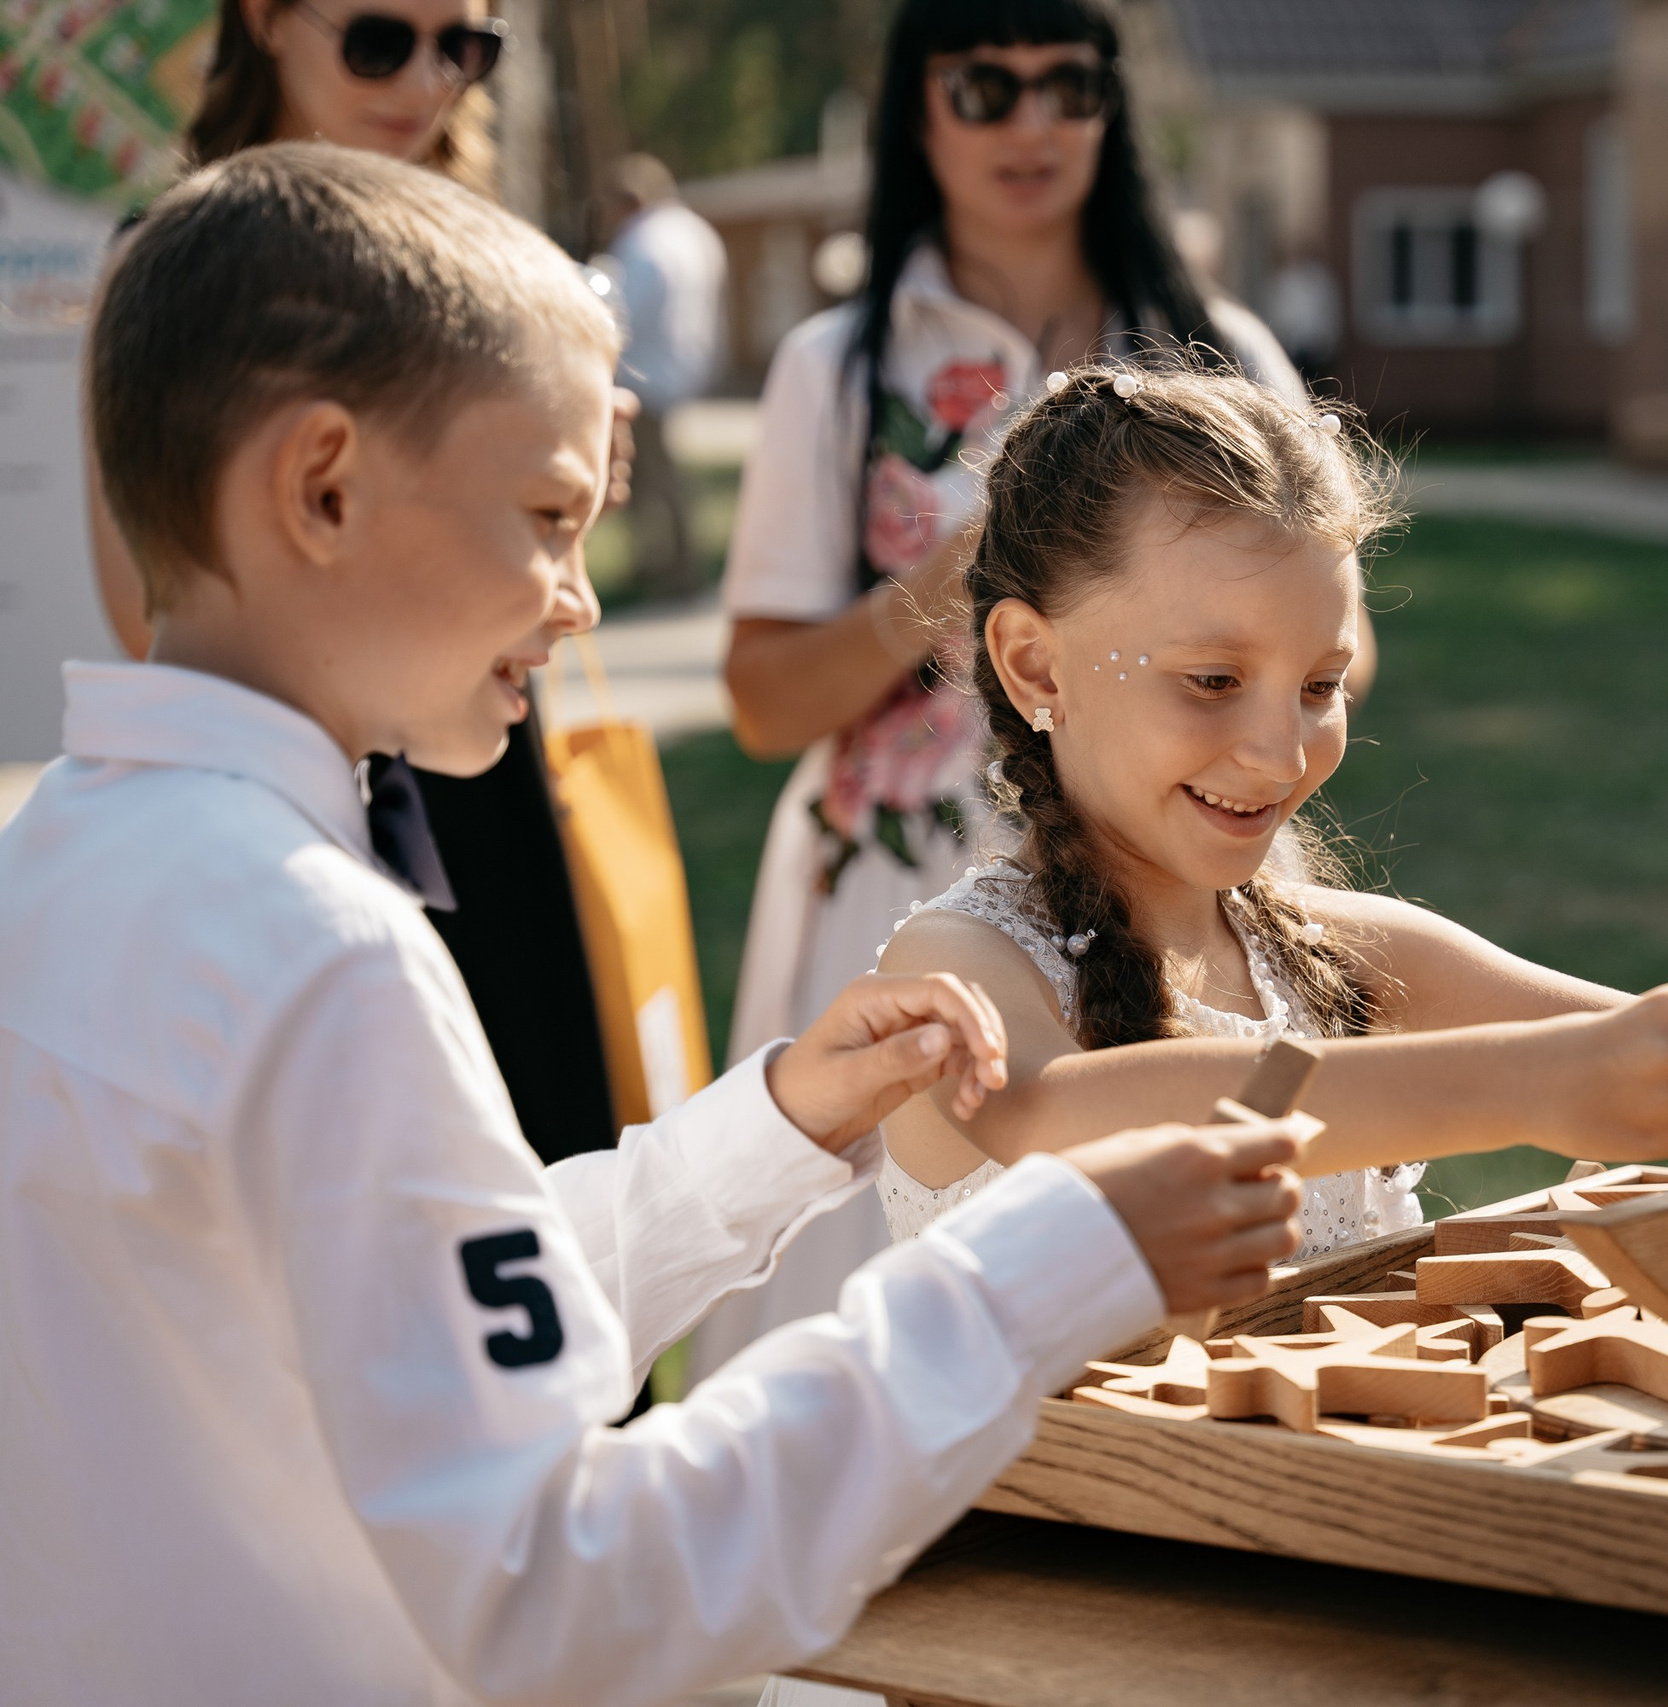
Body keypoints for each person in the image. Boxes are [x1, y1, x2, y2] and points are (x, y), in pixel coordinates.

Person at [0, 143, 1308, 1703]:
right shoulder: (317, 954)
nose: (581, 599)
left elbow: (413, 1333)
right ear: (323, 485)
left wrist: (765, 1131)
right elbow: (572, 1591)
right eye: (550, 513)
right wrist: (1043, 1264)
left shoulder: (63, 861)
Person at [873, 363, 1668, 1238]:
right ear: (1034, 666)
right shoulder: (957, 972)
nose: (1281, 752)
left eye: (1321, 686)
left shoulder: (1344, 962)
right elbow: (1061, 1115)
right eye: (1214, 681)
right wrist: (1536, 1085)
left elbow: (1658, 1052)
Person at [697, 0, 1329, 1375]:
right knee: (856, 1326)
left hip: (1149, 876)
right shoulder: (839, 365)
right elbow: (761, 701)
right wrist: (962, 579)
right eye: (984, 87)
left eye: (1068, 85)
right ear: (916, 111)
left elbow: (1331, 637)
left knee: (1144, 1308)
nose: (1032, 124)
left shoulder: (1211, 349)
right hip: (893, 889)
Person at [79, 0, 630, 1169]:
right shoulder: (173, 264)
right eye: (381, 38)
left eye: (466, 47)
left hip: (480, 782)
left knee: (540, 1144)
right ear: (269, 20)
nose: (427, 79)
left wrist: (555, 483)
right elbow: (152, 599)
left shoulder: (486, 236)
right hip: (305, 785)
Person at [600, 152, 729, 597]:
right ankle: (674, 562)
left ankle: (670, 566)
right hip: (684, 364)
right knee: (662, 472)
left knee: (650, 475)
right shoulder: (693, 231)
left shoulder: (643, 241)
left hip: (643, 372)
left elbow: (622, 310)